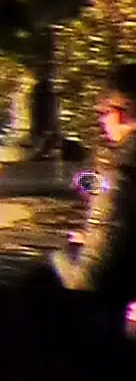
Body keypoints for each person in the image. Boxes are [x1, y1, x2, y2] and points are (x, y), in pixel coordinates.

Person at [55, 75, 136, 311]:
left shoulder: (120, 168)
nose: (101, 122)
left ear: (118, 113)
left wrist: (67, 253)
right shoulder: (113, 163)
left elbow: (87, 277)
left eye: (102, 112)